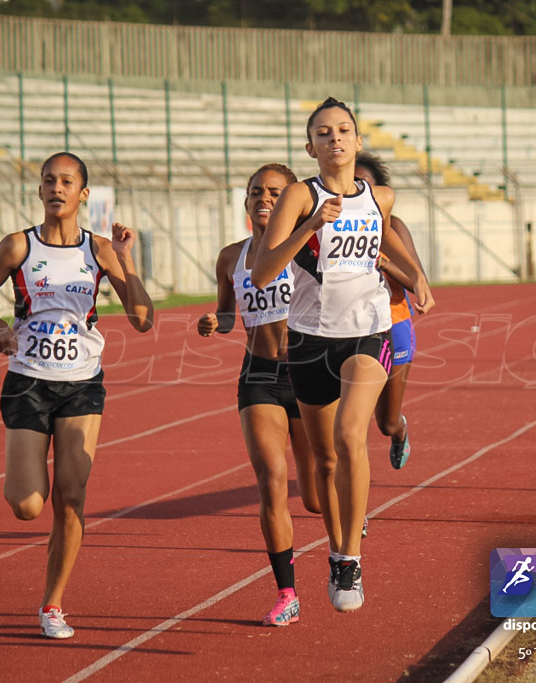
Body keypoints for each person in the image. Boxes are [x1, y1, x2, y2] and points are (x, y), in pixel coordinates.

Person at [250, 97, 434, 612]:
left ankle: (350, 559)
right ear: (311, 147)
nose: (335, 138)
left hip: (367, 334)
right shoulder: (297, 197)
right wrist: (309, 227)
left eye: (344, 130)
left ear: (357, 142)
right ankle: (336, 553)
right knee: (325, 463)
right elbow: (263, 272)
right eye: (324, 132)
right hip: (309, 340)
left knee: (351, 434)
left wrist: (416, 276)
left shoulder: (381, 198)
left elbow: (389, 242)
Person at [0, 152, 154, 639]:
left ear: (83, 194)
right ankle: (24, 480)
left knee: (71, 498)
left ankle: (53, 604)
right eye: (49, 180)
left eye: (67, 181)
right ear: (41, 190)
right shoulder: (18, 247)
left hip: (82, 383)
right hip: (27, 380)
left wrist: (126, 260)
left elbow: (144, 319)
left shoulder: (100, 251)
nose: (57, 188)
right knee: (27, 505)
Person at [196, 163, 321, 627]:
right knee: (271, 477)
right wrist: (215, 322)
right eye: (255, 192)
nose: (263, 198)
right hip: (259, 376)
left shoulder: (309, 247)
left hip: (309, 372)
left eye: (273, 191)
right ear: (245, 202)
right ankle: (286, 591)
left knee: (314, 494)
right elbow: (228, 314)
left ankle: (346, 510)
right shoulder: (231, 257)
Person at [354, 151, 426, 470]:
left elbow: (416, 280)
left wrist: (381, 261)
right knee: (347, 420)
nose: (357, 189)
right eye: (351, 183)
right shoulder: (330, 225)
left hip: (394, 324)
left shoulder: (392, 225)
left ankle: (400, 432)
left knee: (385, 422)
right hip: (351, 327)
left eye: (365, 184)